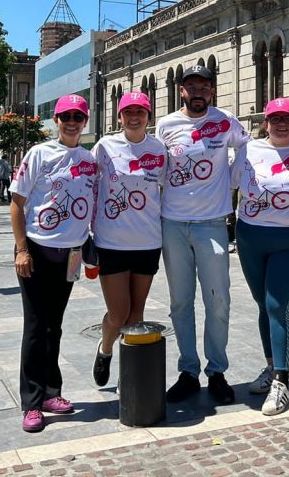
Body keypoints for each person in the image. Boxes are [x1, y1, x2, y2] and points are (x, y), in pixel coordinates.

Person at [156, 64, 250, 405]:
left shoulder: (225, 121)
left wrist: (233, 179)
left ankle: (217, 370)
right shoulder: (166, 124)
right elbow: (158, 166)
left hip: (212, 224)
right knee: (181, 302)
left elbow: (249, 147)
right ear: (182, 90)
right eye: (191, 87)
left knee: (218, 300)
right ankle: (188, 370)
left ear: (212, 90)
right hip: (173, 224)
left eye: (204, 87)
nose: (198, 93)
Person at [10, 94, 97, 433]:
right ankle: (31, 403)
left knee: (54, 326)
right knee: (35, 327)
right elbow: (17, 203)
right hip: (36, 250)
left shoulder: (90, 160)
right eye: (66, 117)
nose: (71, 122)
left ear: (85, 121)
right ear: (56, 121)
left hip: (70, 254)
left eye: (78, 117)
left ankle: (51, 392)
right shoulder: (39, 154)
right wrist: (22, 250)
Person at [231, 98, 289, 416]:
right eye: (275, 119)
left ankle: (282, 381)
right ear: (265, 123)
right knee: (263, 305)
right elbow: (228, 185)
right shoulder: (249, 150)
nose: (282, 124)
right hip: (250, 238)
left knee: (278, 306)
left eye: (288, 118)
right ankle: (271, 366)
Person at [90, 91, 166, 388]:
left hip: (148, 241)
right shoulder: (105, 147)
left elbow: (170, 189)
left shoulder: (159, 149)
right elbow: (86, 183)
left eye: (140, 112)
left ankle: (128, 372)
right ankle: (106, 348)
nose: (134, 117)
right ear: (119, 117)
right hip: (112, 242)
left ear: (148, 116)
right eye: (128, 112)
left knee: (136, 313)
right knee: (119, 312)